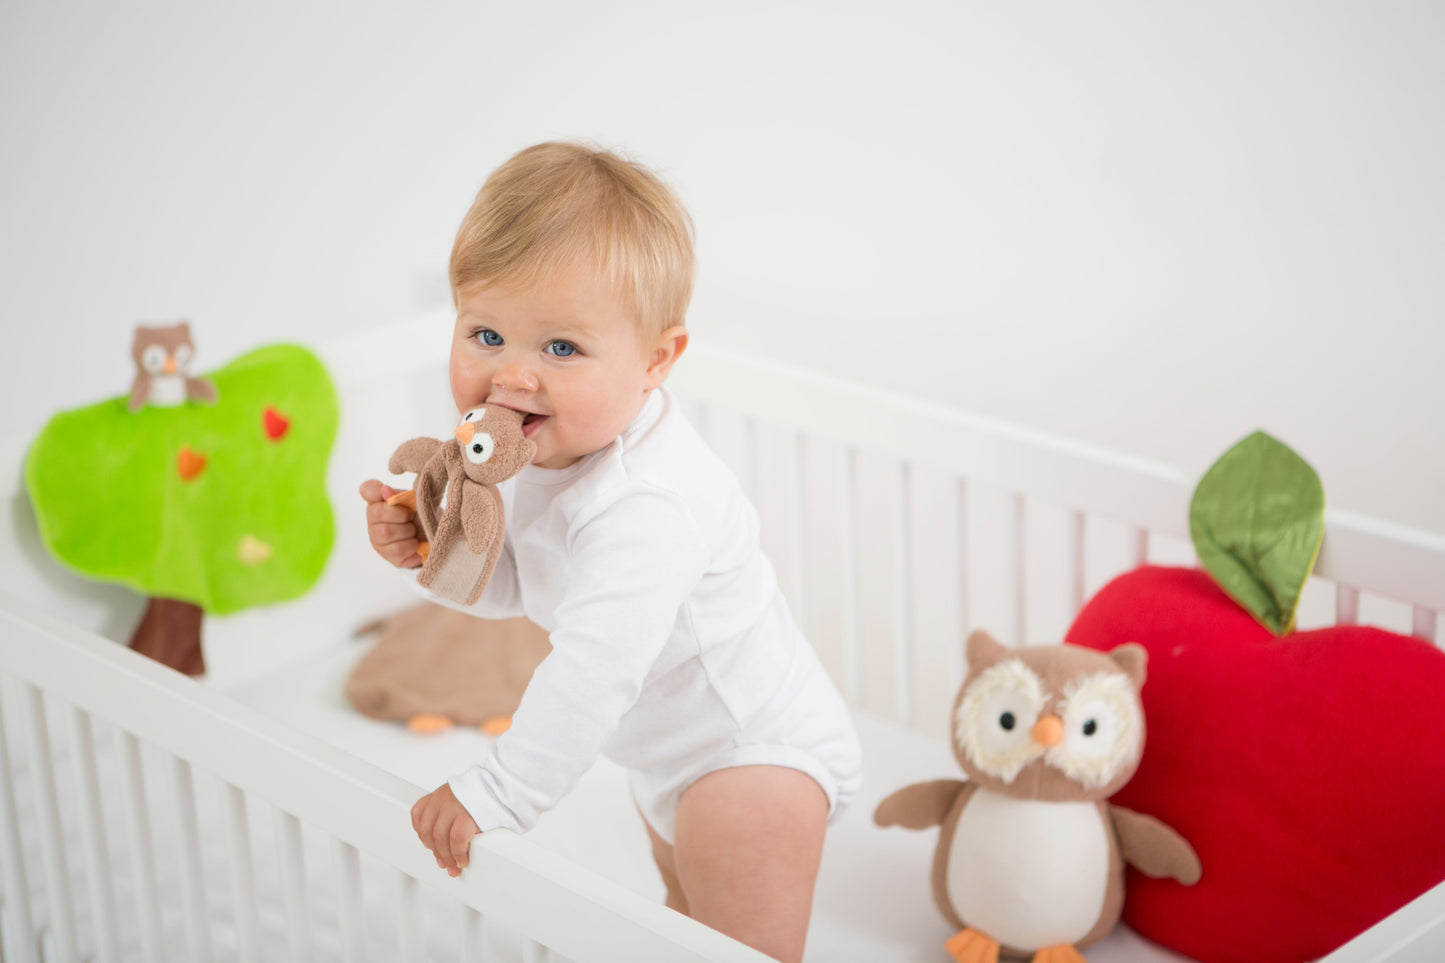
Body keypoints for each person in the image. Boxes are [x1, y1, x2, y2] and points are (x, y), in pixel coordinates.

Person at [360, 141, 861, 963]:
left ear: (655, 362)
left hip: (750, 758)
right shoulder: (544, 450)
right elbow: (523, 585)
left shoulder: (647, 505)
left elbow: (592, 668)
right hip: (669, 757)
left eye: (561, 348)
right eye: (485, 333)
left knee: (739, 948)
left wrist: (497, 792)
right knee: (680, 923)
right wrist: (434, 553)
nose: (512, 376)